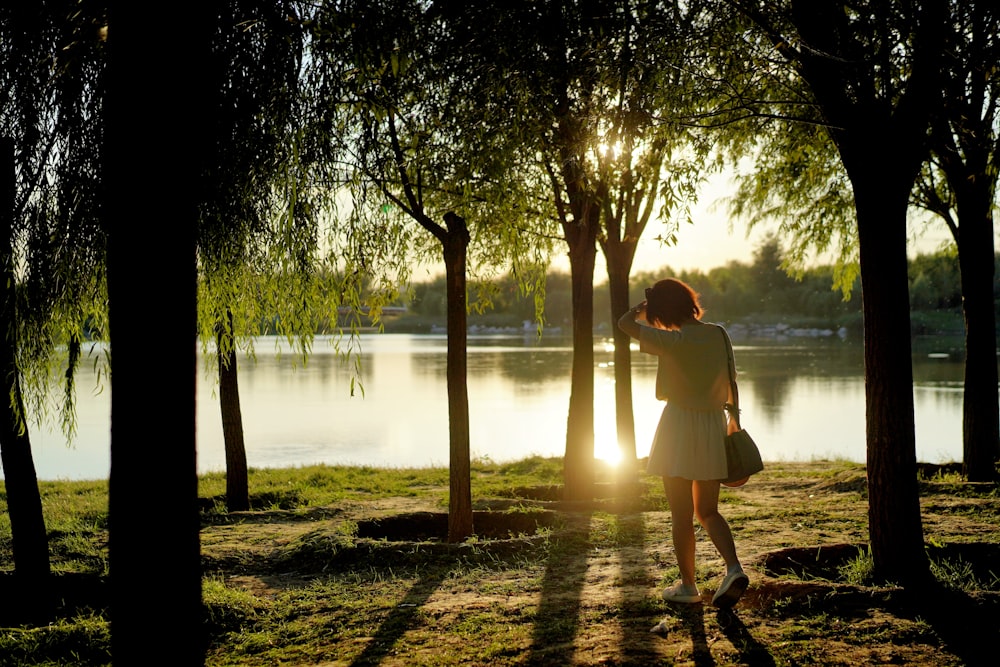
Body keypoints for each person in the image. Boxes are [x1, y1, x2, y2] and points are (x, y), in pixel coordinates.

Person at [618, 278, 749, 608]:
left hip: (677, 425)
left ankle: (689, 587)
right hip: (711, 424)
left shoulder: (670, 341)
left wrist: (642, 308)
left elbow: (624, 324)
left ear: (663, 310)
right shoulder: (718, 334)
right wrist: (733, 422)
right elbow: (732, 381)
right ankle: (733, 568)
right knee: (708, 511)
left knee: (681, 514)